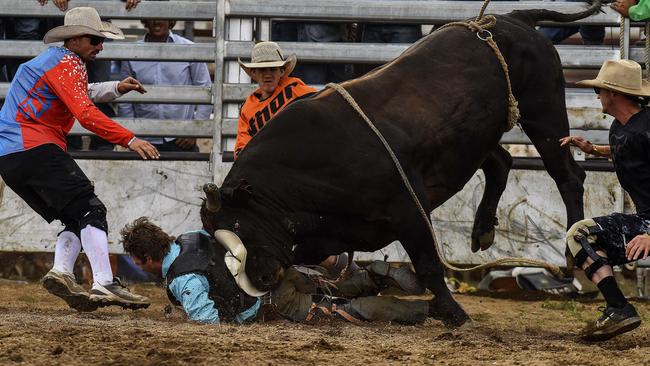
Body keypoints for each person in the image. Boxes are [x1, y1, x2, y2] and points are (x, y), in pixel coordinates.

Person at [0, 7, 160, 311]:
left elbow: (75, 94)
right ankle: (104, 282)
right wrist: (129, 139)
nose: (100, 47)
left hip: (10, 158)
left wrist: (115, 87)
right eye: (94, 40)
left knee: (74, 216)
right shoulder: (69, 63)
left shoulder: (49, 62)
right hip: (36, 147)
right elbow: (84, 112)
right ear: (73, 40)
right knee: (91, 209)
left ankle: (61, 272)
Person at [120, 217, 432, 325]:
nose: (136, 265)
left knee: (347, 311)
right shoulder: (193, 237)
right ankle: (375, 276)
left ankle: (420, 310)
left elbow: (207, 321)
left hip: (274, 305)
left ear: (145, 257)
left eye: (136, 260)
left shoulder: (182, 279)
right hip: (281, 273)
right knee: (336, 288)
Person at [559, 59, 650, 341]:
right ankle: (618, 308)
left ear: (614, 93)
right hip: (645, 218)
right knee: (581, 234)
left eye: (599, 90)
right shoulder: (622, 128)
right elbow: (629, 151)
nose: (596, 95)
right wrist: (594, 150)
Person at [118, 8, 212, 152]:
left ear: (170, 20)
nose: (156, 21)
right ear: (145, 21)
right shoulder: (132, 52)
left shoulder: (190, 49)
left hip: (181, 139)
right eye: (152, 16)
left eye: (161, 16)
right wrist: (132, 135)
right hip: (143, 139)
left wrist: (195, 131)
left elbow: (206, 91)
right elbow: (125, 98)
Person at [234, 41, 316, 159]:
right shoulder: (247, 109)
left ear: (282, 71)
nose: (268, 75)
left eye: (272, 69)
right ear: (254, 73)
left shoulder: (295, 89)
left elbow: (321, 107)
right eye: (262, 70)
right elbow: (241, 151)